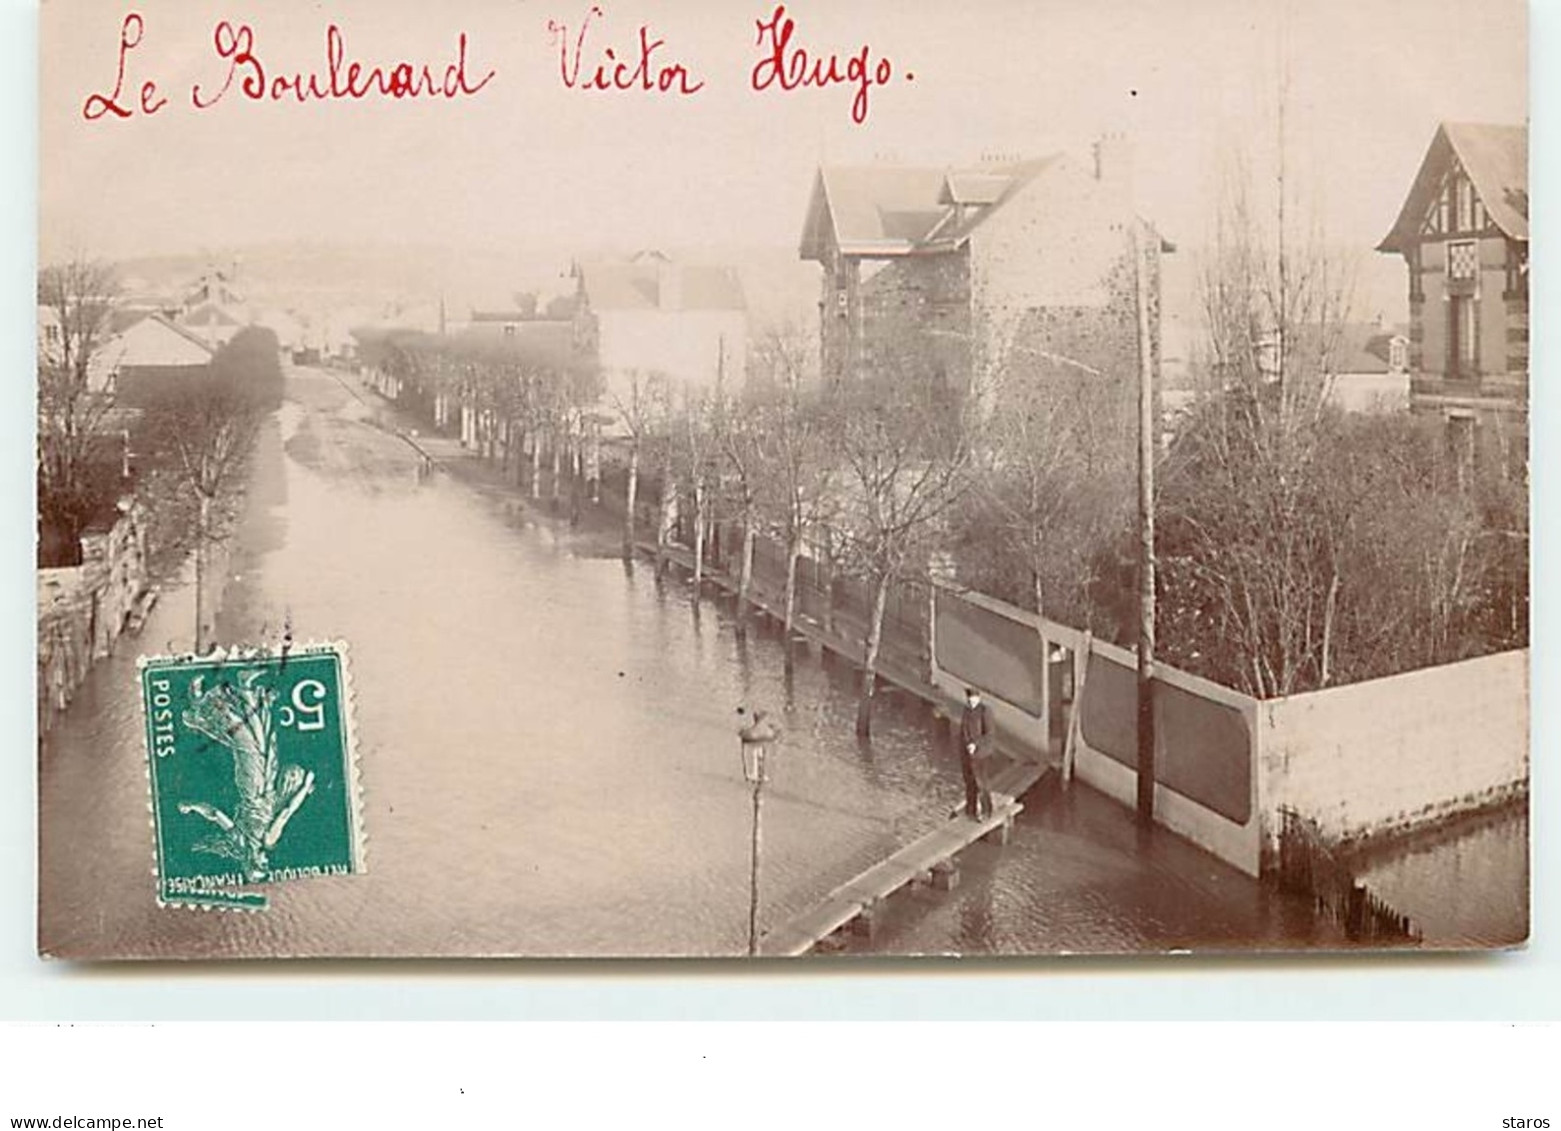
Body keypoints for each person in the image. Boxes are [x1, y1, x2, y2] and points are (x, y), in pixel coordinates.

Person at [959, 687, 995, 820]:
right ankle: (971, 809)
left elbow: (989, 733)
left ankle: (986, 810)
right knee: (969, 781)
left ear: (978, 698)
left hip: (981, 753)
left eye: (974, 698)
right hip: (967, 752)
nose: (971, 700)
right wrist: (966, 746)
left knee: (981, 782)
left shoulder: (985, 711)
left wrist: (976, 744)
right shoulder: (966, 711)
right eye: (969, 698)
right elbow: (964, 730)